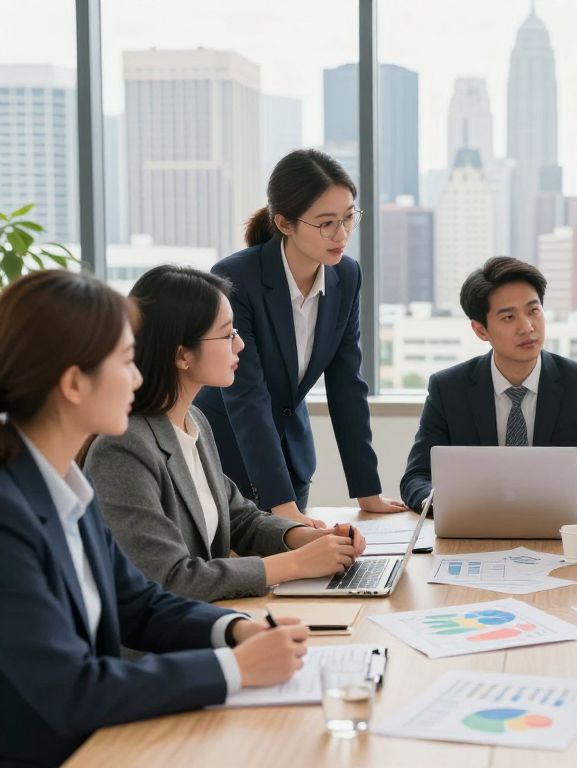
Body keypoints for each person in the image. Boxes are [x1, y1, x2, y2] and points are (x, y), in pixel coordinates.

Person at [0, 270, 309, 766]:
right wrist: (233, 668)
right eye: (126, 362)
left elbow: (139, 605)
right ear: (74, 383)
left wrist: (233, 630)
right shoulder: (9, 516)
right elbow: (71, 688)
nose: (140, 377)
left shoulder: (63, 491)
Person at [85, 265, 366, 602]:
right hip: (162, 645)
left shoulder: (195, 421)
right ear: (182, 355)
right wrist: (294, 564)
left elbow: (239, 518)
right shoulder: (124, 447)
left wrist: (304, 537)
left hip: (209, 620)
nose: (241, 344)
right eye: (227, 333)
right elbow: (169, 578)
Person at [195, 149, 405, 529]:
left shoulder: (346, 276)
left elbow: (347, 384)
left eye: (348, 218)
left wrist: (367, 491)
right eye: (326, 223)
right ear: (285, 223)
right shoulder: (237, 278)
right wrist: (282, 506)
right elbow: (247, 396)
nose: (341, 235)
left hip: (291, 461)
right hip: (230, 457)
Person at [400, 257, 577, 515]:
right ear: (480, 330)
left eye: (533, 311)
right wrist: (446, 503)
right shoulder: (449, 389)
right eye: (509, 317)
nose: (527, 327)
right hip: (473, 529)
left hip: (559, 530)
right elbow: (416, 478)